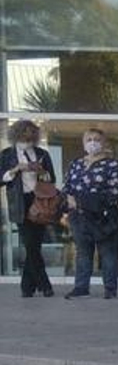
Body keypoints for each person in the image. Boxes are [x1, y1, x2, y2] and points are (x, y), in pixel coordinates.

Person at [62, 128, 118, 300]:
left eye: (96, 139)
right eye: (88, 139)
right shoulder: (76, 164)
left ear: (104, 143)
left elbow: (113, 193)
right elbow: (67, 187)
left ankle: (110, 289)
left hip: (102, 217)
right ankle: (81, 288)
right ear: (83, 143)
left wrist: (83, 201)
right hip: (79, 217)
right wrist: (70, 201)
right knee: (83, 253)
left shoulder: (112, 165)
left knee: (108, 253)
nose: (92, 142)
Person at [1, 119, 56, 298]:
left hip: (40, 200)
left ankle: (27, 288)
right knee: (30, 244)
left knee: (35, 245)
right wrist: (16, 169)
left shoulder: (42, 153)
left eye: (32, 132)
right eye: (24, 132)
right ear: (16, 134)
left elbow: (51, 178)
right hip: (20, 201)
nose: (28, 135)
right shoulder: (7, 154)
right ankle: (45, 284)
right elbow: (2, 179)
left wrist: (41, 172)